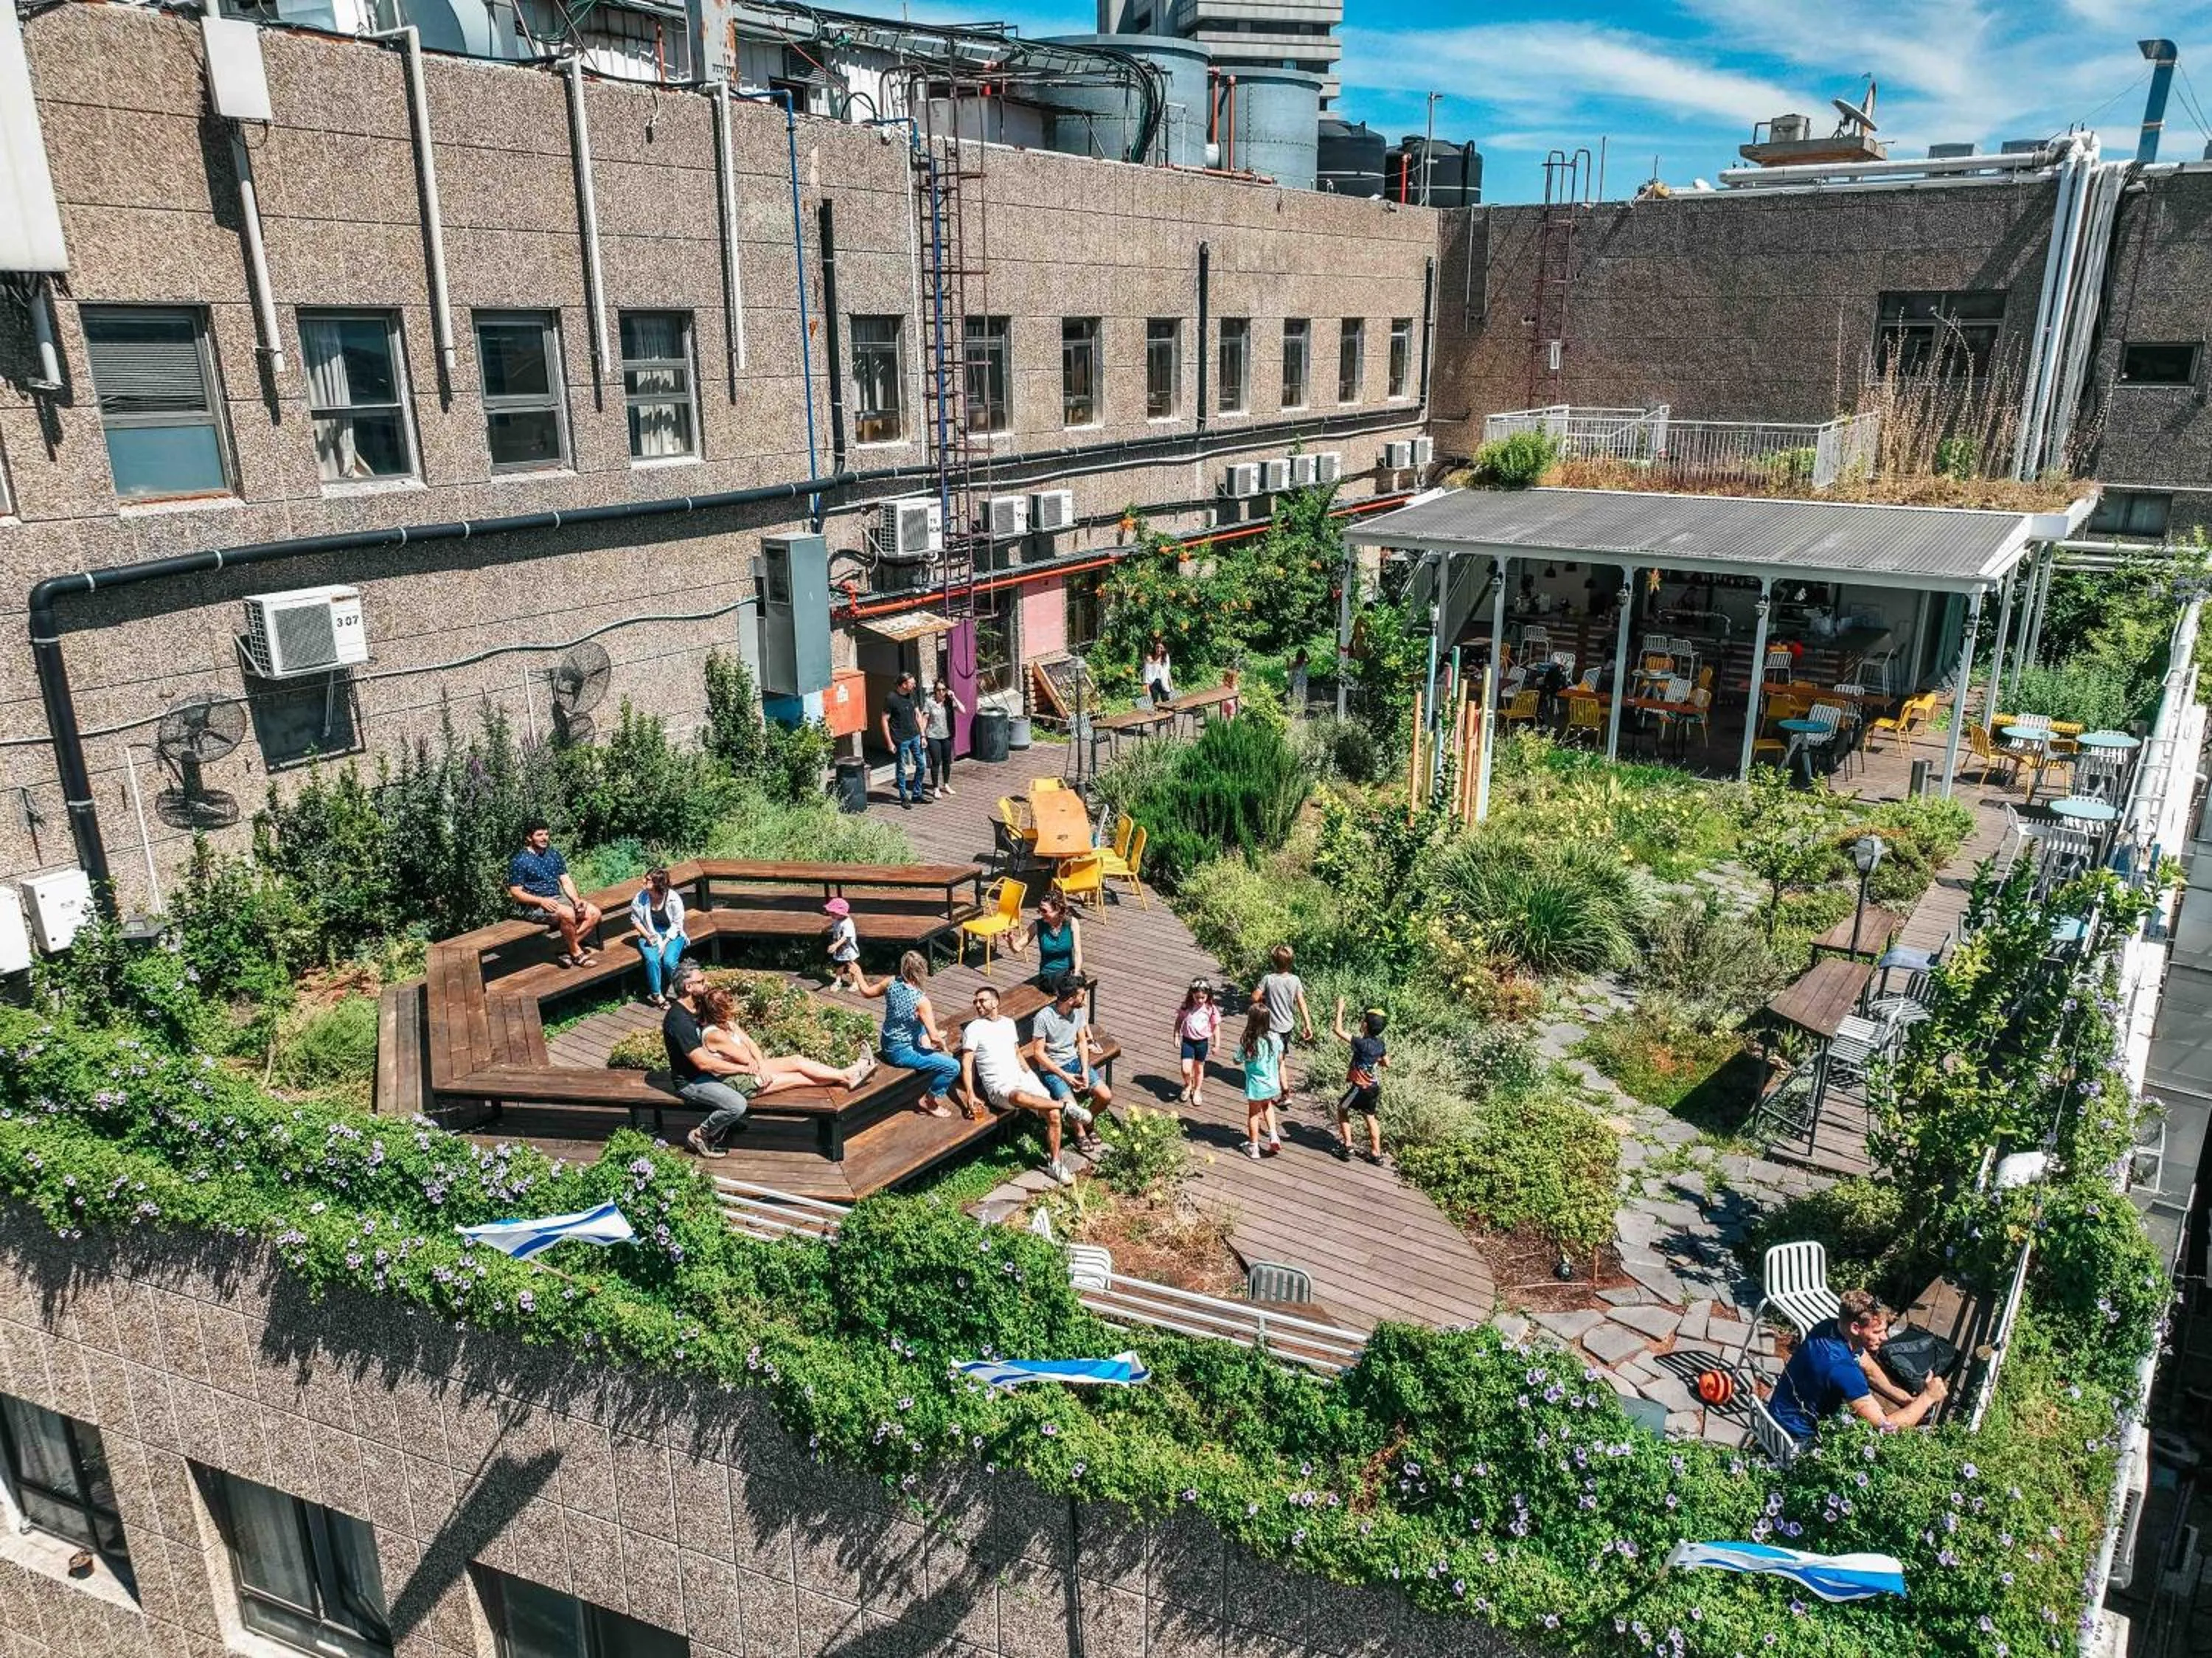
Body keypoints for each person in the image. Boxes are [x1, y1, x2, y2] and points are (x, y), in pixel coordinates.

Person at [1767, 1288, 1948, 1443]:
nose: (1885, 1337)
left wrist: (1906, 1399)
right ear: (1855, 1328)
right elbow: (1886, 1429)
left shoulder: (1828, 1328)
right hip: (1794, 1438)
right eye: (1877, 1332)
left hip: (1778, 1410)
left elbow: (1868, 1368)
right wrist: (1928, 1398)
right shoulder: (1843, 1370)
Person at [958, 985, 1073, 1186]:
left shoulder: (1008, 1023)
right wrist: (970, 1094)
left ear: (995, 1002)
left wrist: (1030, 1076)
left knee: (1053, 1115)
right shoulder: (973, 1029)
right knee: (1022, 1098)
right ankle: (1066, 1106)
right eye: (975, 1002)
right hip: (999, 1087)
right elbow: (967, 1064)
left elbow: (1017, 1054)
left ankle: (1055, 1163)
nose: (977, 1005)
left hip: (1022, 1078)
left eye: (981, 1000)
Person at [698, 983, 875, 1098]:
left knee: (796, 1060)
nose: (734, 1008)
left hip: (752, 1069)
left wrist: (760, 1064)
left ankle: (848, 1074)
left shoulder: (727, 1024)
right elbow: (745, 1055)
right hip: (738, 1081)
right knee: (800, 1077)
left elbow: (751, 1044)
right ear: (719, 1010)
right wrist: (755, 1065)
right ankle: (849, 1074)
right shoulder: (715, 1034)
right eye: (729, 1006)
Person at [855, 951, 966, 1118]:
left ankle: (924, 1039)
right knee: (953, 1066)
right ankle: (929, 1101)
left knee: (919, 1023)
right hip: (901, 1053)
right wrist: (945, 1049)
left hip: (888, 1042)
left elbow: (866, 992)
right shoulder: (921, 1001)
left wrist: (858, 973)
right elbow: (936, 1037)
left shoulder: (890, 982)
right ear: (922, 971)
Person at [663, 964, 756, 1159]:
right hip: (691, 1080)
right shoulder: (678, 1020)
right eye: (702, 981)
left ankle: (726, 1121)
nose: (707, 984)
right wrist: (743, 1068)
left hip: (709, 1073)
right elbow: (703, 1063)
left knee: (752, 1085)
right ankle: (700, 1135)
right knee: (737, 1104)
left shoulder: (697, 1008)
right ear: (688, 987)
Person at [1029, 971, 1110, 1156]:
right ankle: (1080, 1132)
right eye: (1082, 995)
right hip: (1053, 1069)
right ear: (1071, 998)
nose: (1085, 999)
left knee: (1105, 1096)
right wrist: (1064, 1075)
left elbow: (1082, 1042)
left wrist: (1085, 1071)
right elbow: (1038, 1054)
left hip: (1073, 1062)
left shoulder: (1078, 1012)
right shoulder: (1044, 1017)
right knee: (1071, 1107)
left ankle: (1087, 1120)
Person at [507, 820, 604, 968]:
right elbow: (515, 893)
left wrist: (576, 900)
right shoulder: (519, 861)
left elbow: (566, 881)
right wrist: (541, 901)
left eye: (546, 834)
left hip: (558, 899)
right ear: (529, 838)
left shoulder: (553, 854)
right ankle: (577, 954)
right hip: (533, 906)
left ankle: (564, 948)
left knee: (594, 913)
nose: (544, 838)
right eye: (539, 835)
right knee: (568, 914)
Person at [1329, 997, 1388, 1164]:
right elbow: (1387, 1063)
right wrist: (1376, 1060)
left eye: (1363, 1021)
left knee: (1342, 1109)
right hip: (1373, 1087)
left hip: (1359, 1088)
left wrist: (1340, 1009)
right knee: (1370, 1117)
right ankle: (1376, 1154)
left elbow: (1338, 1030)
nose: (1361, 1023)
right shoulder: (1380, 1045)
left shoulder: (1361, 1043)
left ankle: (1347, 1147)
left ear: (1365, 1026)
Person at [1251, 944, 1314, 1089]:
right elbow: (1302, 1003)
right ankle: (1284, 1090)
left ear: (1273, 961)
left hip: (1270, 1026)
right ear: (1291, 962)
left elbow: (1255, 997)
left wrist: (1264, 1001)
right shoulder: (1295, 980)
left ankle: (1279, 1088)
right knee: (1281, 1057)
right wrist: (1307, 1024)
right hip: (1287, 1026)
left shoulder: (1268, 979)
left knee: (1271, 1057)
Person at [628, 866, 686, 1007]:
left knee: (669, 962)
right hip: (650, 932)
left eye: (648, 880)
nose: (643, 881)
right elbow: (635, 920)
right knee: (652, 959)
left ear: (656, 884)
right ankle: (657, 994)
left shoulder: (673, 898)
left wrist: (665, 942)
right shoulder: (640, 897)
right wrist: (648, 936)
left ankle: (683, 992)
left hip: (671, 933)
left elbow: (678, 924)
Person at [1237, 1004, 1284, 1159]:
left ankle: (1254, 1147)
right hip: (1271, 1082)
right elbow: (1279, 1057)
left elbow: (1237, 1059)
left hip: (1256, 1086)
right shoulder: (1275, 1037)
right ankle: (1274, 1136)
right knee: (1268, 1106)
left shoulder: (1249, 1041)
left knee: (1254, 1114)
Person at [1009, 891, 1083, 982]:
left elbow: (1078, 952)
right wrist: (1011, 941)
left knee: (1080, 990)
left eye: (1044, 911)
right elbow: (1017, 948)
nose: (1041, 913)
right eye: (1040, 909)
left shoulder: (1072, 923)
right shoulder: (1037, 926)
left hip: (1068, 972)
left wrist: (1076, 973)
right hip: (1048, 976)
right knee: (1069, 991)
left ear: (1058, 910)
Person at [881, 670, 928, 808]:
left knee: (922, 765)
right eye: (912, 683)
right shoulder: (891, 698)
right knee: (901, 769)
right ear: (903, 684)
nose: (914, 686)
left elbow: (918, 715)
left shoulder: (912, 695)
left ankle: (917, 794)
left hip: (915, 736)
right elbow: (884, 720)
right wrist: (889, 742)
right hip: (900, 739)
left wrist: (923, 735)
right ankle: (903, 797)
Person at [1173, 977, 1220, 1107]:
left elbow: (1215, 1027)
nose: (1200, 1000)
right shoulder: (1187, 1006)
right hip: (1188, 1041)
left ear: (1207, 996)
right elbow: (1179, 1020)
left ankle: (1197, 1089)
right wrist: (1176, 1035)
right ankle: (1188, 1084)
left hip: (1202, 1042)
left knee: (1199, 1068)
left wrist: (1217, 1044)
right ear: (1192, 994)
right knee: (1186, 1068)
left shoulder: (1210, 1008)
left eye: (1203, 998)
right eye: (1197, 997)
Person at [924, 679, 965, 800]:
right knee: (936, 762)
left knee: (947, 761)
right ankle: (935, 788)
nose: (941, 692)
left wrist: (954, 698)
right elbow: (925, 719)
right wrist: (923, 736)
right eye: (938, 690)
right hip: (933, 736)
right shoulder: (929, 703)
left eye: (943, 690)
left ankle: (946, 784)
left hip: (946, 736)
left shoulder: (949, 703)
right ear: (935, 691)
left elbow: (963, 710)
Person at [823, 897, 863, 992]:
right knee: (839, 966)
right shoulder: (838, 920)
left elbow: (846, 937)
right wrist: (827, 928)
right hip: (840, 951)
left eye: (832, 913)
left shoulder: (848, 923)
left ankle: (855, 982)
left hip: (849, 951)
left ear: (840, 913)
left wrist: (835, 945)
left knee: (852, 967)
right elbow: (834, 925)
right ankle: (838, 981)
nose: (830, 914)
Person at [1141, 637, 1175, 707]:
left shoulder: (1166, 657)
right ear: (1155, 648)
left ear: (1164, 649)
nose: (1159, 649)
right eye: (1157, 647)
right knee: (1156, 702)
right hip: (1153, 683)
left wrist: (1171, 685)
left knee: (1166, 701)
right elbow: (1147, 674)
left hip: (1163, 682)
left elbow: (1167, 671)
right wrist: (1147, 690)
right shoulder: (1149, 658)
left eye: (1161, 648)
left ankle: (1169, 716)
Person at [1287, 647, 1310, 712]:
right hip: (1302, 681)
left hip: (1298, 681)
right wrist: (1306, 652)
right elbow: (1310, 660)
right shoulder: (1303, 662)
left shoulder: (1299, 662)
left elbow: (1288, 669)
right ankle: (1303, 707)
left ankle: (1298, 708)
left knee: (1297, 694)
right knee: (1302, 694)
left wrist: (1288, 661)